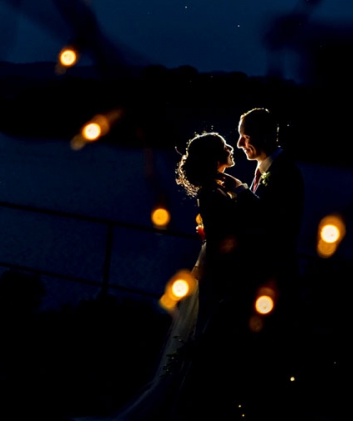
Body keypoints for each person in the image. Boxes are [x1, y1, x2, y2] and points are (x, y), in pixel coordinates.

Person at [86, 131, 254, 421]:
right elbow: (219, 240)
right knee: (206, 335)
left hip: (218, 271)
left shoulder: (216, 188)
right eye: (224, 145)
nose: (230, 147)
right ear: (215, 158)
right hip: (219, 274)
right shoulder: (211, 193)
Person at [237, 107, 306, 413]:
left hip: (274, 280)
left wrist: (238, 197)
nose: (240, 144)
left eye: (245, 136)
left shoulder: (285, 173)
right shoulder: (264, 170)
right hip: (256, 281)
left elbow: (269, 226)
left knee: (270, 357)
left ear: (264, 135)